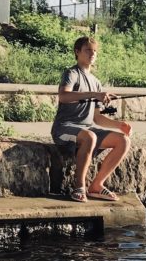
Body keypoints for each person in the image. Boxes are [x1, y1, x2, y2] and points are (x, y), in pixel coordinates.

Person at [51, 35, 131, 202]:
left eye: (95, 51)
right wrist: (95, 94)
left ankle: (96, 185)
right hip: (64, 128)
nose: (92, 54)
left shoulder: (96, 82)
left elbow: (97, 118)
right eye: (88, 50)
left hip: (87, 129)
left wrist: (119, 125)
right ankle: (79, 187)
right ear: (77, 52)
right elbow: (63, 96)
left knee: (123, 141)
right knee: (90, 136)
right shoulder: (71, 73)